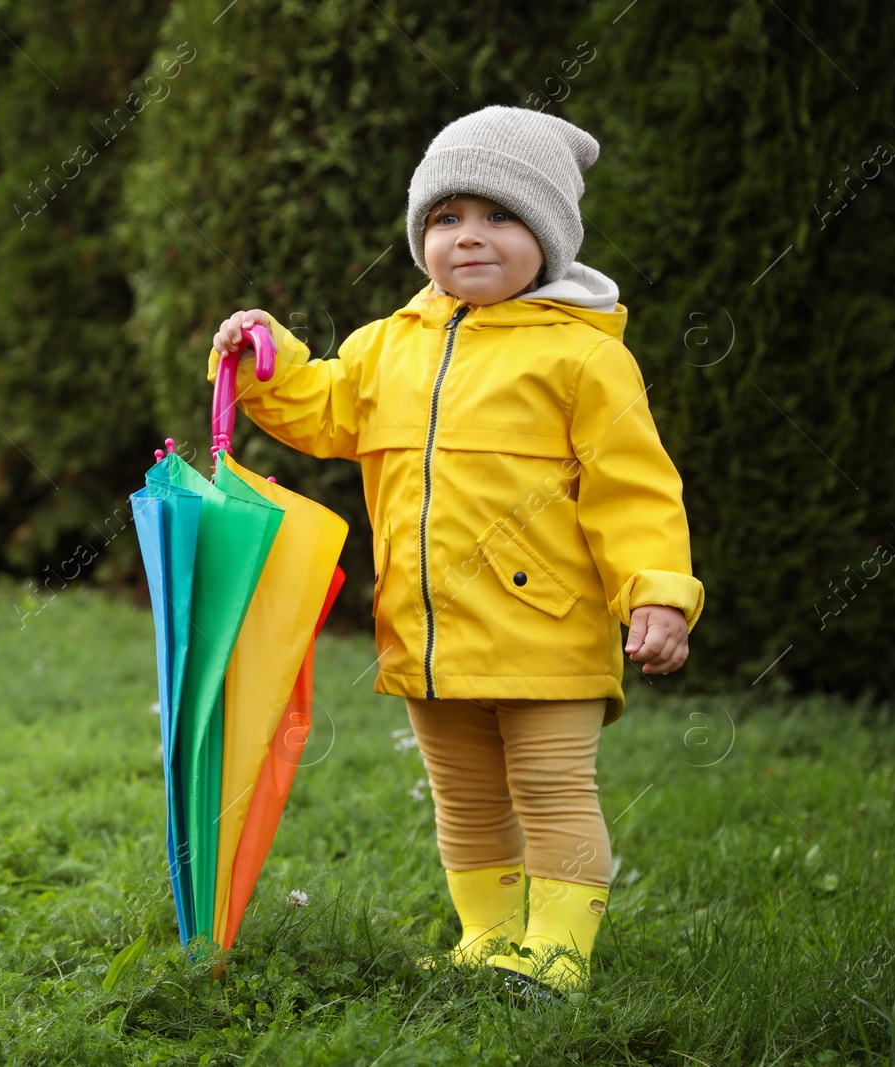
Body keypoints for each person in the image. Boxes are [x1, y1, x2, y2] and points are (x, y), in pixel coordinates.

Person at [206, 106, 704, 997]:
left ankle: (557, 953)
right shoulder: (388, 346)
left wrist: (658, 592)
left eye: (499, 216)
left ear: (548, 237)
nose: (468, 237)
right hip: (426, 635)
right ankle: (487, 936)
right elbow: (323, 408)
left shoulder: (582, 359)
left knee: (551, 793)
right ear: (420, 235)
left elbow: (636, 491)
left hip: (548, 633)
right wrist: (268, 355)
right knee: (466, 799)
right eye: (446, 218)